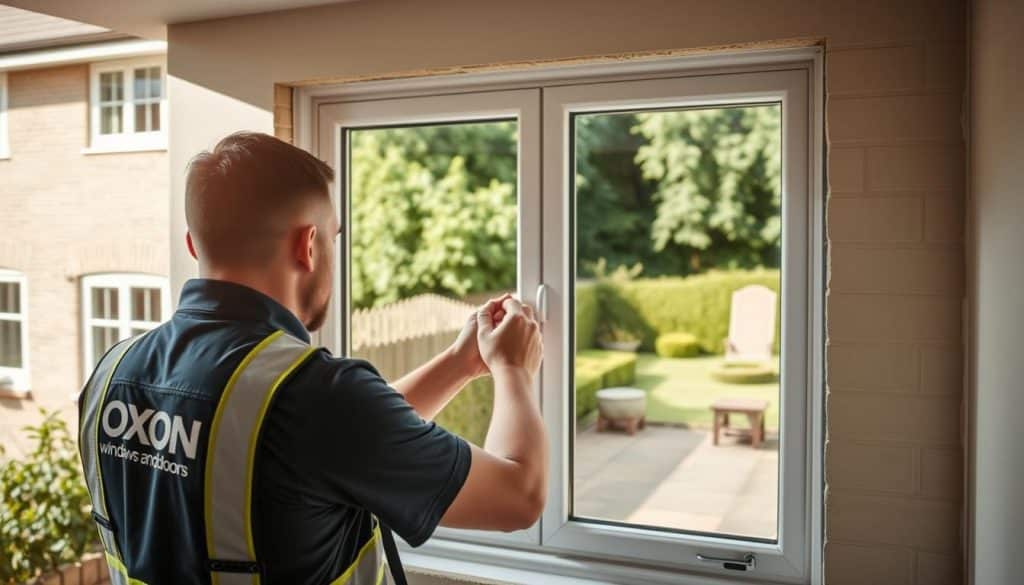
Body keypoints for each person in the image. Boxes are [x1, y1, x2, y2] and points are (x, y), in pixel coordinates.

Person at [77, 131, 546, 585]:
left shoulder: (111, 373)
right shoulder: (317, 397)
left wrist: (460, 363)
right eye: (333, 237)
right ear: (307, 246)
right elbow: (519, 498)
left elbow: (327, 450)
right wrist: (513, 370)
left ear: (194, 245)